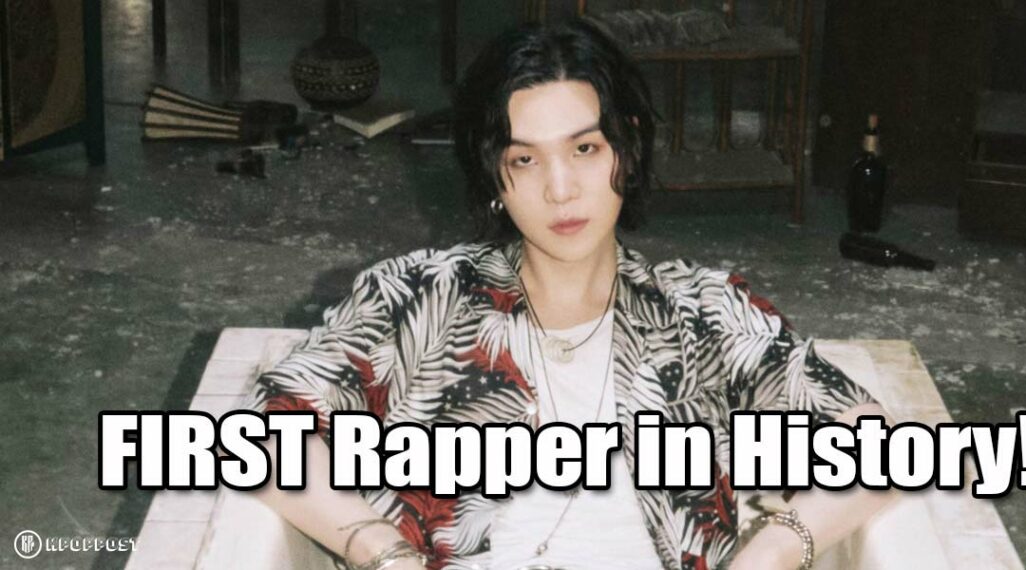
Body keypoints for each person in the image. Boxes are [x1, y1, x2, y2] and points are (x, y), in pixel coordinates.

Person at [246, 19, 893, 570]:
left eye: (585, 148)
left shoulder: (702, 313)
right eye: (525, 159)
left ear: (626, 149)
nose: (560, 189)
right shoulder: (420, 298)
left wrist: (773, 550)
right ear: (492, 172)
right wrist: (381, 550)